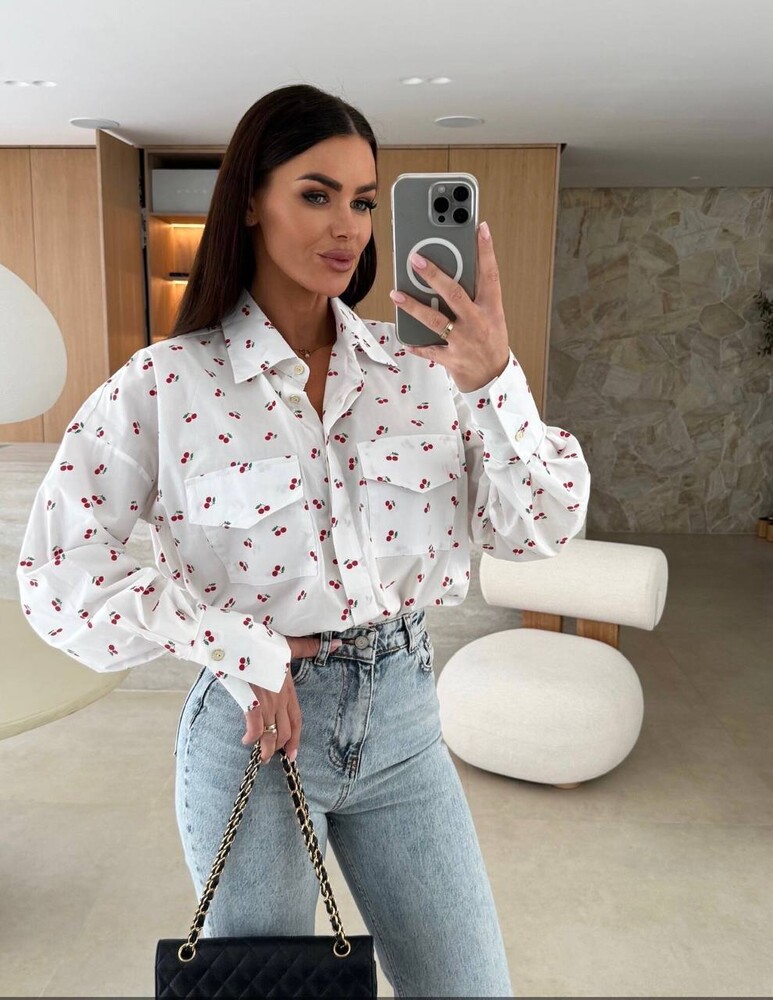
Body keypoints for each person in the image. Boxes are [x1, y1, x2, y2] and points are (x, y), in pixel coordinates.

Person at [17, 83, 590, 997]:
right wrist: (234, 646)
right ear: (250, 199)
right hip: (256, 733)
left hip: (405, 723)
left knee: (470, 986)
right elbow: (58, 572)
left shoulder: (420, 373)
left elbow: (541, 528)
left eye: (363, 201)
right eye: (316, 194)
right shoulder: (168, 384)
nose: (347, 227)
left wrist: (494, 381)